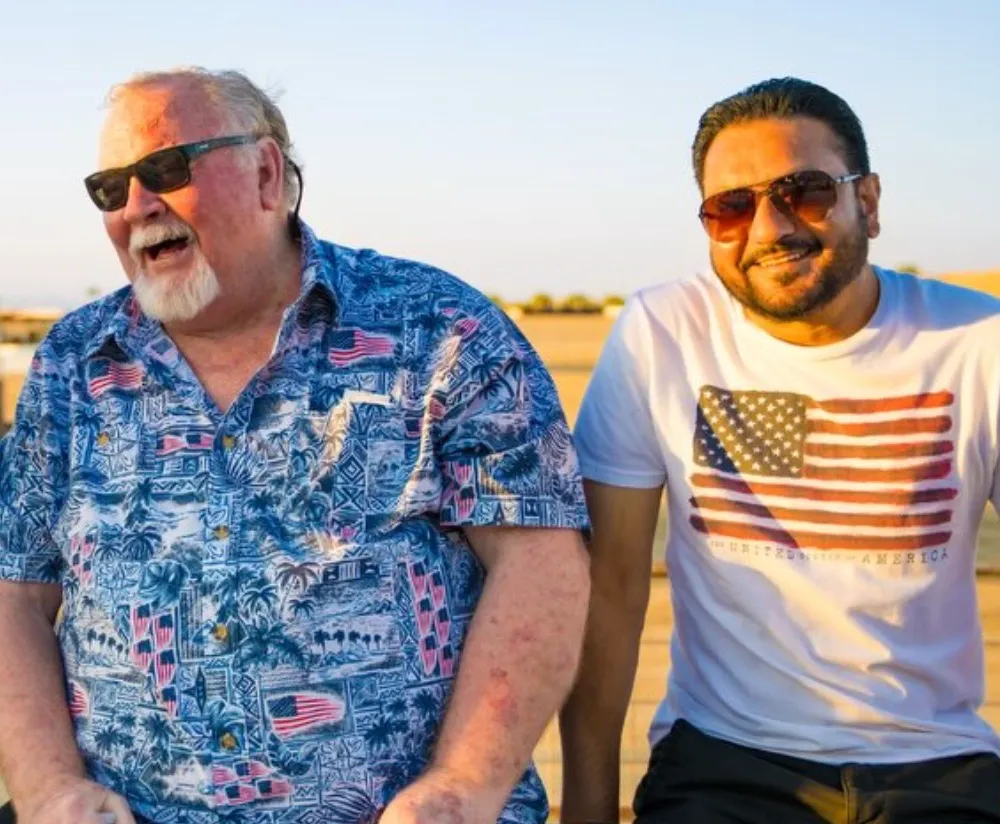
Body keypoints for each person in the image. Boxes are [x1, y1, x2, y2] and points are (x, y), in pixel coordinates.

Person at [0, 67, 591, 824]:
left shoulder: (441, 330)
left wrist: (462, 788)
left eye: (165, 171)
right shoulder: (72, 363)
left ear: (268, 173)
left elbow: (540, 559)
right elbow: (16, 591)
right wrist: (49, 791)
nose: (137, 206)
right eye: (110, 189)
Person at [560, 76, 1000, 823]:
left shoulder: (977, 343)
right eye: (731, 207)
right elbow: (611, 590)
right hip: (725, 762)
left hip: (936, 763)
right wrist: (589, 809)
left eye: (804, 191)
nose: (768, 227)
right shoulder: (662, 333)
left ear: (870, 201)